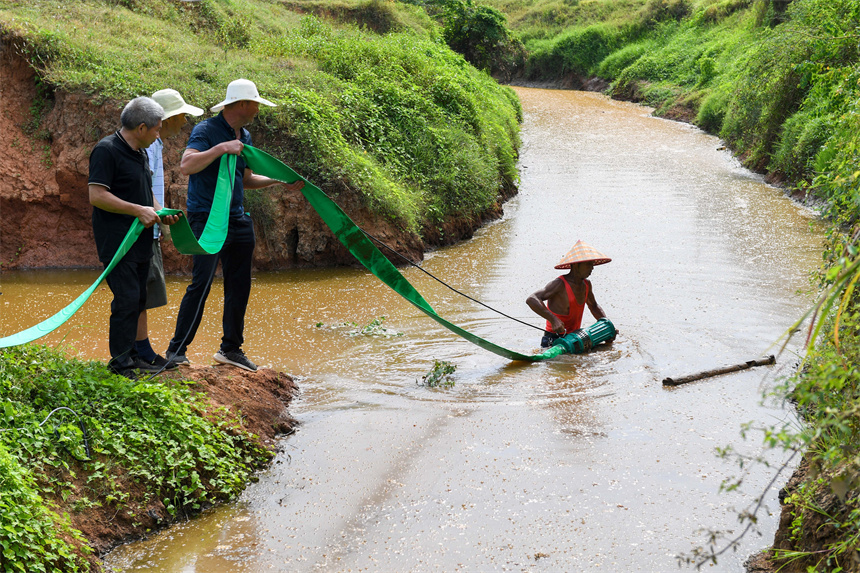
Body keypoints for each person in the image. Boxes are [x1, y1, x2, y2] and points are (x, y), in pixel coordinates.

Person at [165, 79, 305, 372]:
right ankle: (176, 351)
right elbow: (187, 165)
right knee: (200, 284)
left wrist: (280, 183)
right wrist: (221, 149)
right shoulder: (206, 130)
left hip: (238, 219)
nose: (257, 109)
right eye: (255, 103)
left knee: (239, 285)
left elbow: (246, 179)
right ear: (242, 104)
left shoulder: (246, 135)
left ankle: (231, 349)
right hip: (207, 218)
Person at [88, 97, 179, 378]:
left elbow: (144, 192)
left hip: (141, 238)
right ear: (141, 127)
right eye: (156, 129)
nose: (158, 135)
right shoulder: (106, 151)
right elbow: (97, 195)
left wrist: (159, 211)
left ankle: (137, 355)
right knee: (126, 298)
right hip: (117, 241)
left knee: (139, 297)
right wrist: (137, 210)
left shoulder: (140, 152)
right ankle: (120, 363)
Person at [134, 89, 204, 369]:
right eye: (181, 116)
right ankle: (139, 351)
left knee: (144, 290)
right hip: (142, 224)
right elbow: (143, 185)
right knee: (138, 290)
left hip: (148, 224)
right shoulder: (148, 144)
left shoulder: (155, 143)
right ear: (166, 118)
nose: (185, 122)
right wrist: (159, 217)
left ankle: (141, 349)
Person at [526, 240, 613, 348]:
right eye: (588, 264)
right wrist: (553, 320)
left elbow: (594, 306)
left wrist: (606, 326)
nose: (592, 268)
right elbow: (532, 299)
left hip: (576, 338)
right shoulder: (559, 284)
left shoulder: (587, 285)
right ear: (576, 265)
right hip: (554, 339)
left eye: (592, 264)